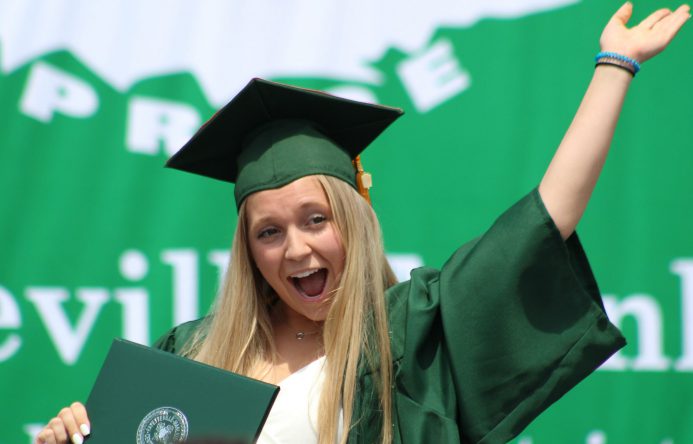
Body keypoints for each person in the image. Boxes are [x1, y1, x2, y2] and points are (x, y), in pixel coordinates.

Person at [36, 3, 690, 444]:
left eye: (315, 220)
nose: (295, 248)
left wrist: (615, 66)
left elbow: (544, 218)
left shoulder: (412, 332)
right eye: (268, 232)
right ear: (248, 251)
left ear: (354, 219)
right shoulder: (191, 353)